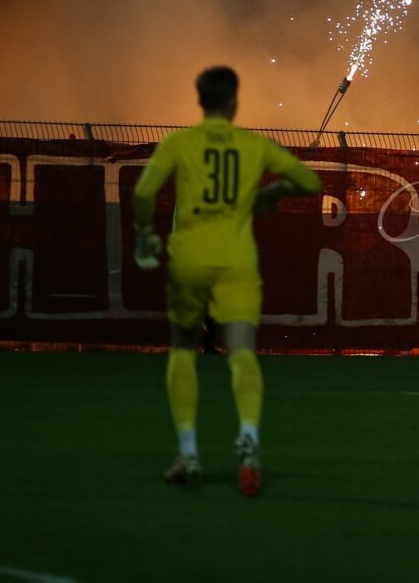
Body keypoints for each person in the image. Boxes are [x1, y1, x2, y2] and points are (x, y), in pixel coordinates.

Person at [132, 66, 322, 495]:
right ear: (234, 101)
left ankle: (188, 452)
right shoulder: (252, 144)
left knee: (182, 351)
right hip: (237, 261)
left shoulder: (181, 143)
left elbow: (143, 194)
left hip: (190, 260)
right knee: (241, 354)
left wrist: (145, 235)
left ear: (200, 101)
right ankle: (250, 440)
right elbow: (309, 181)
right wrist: (272, 194)